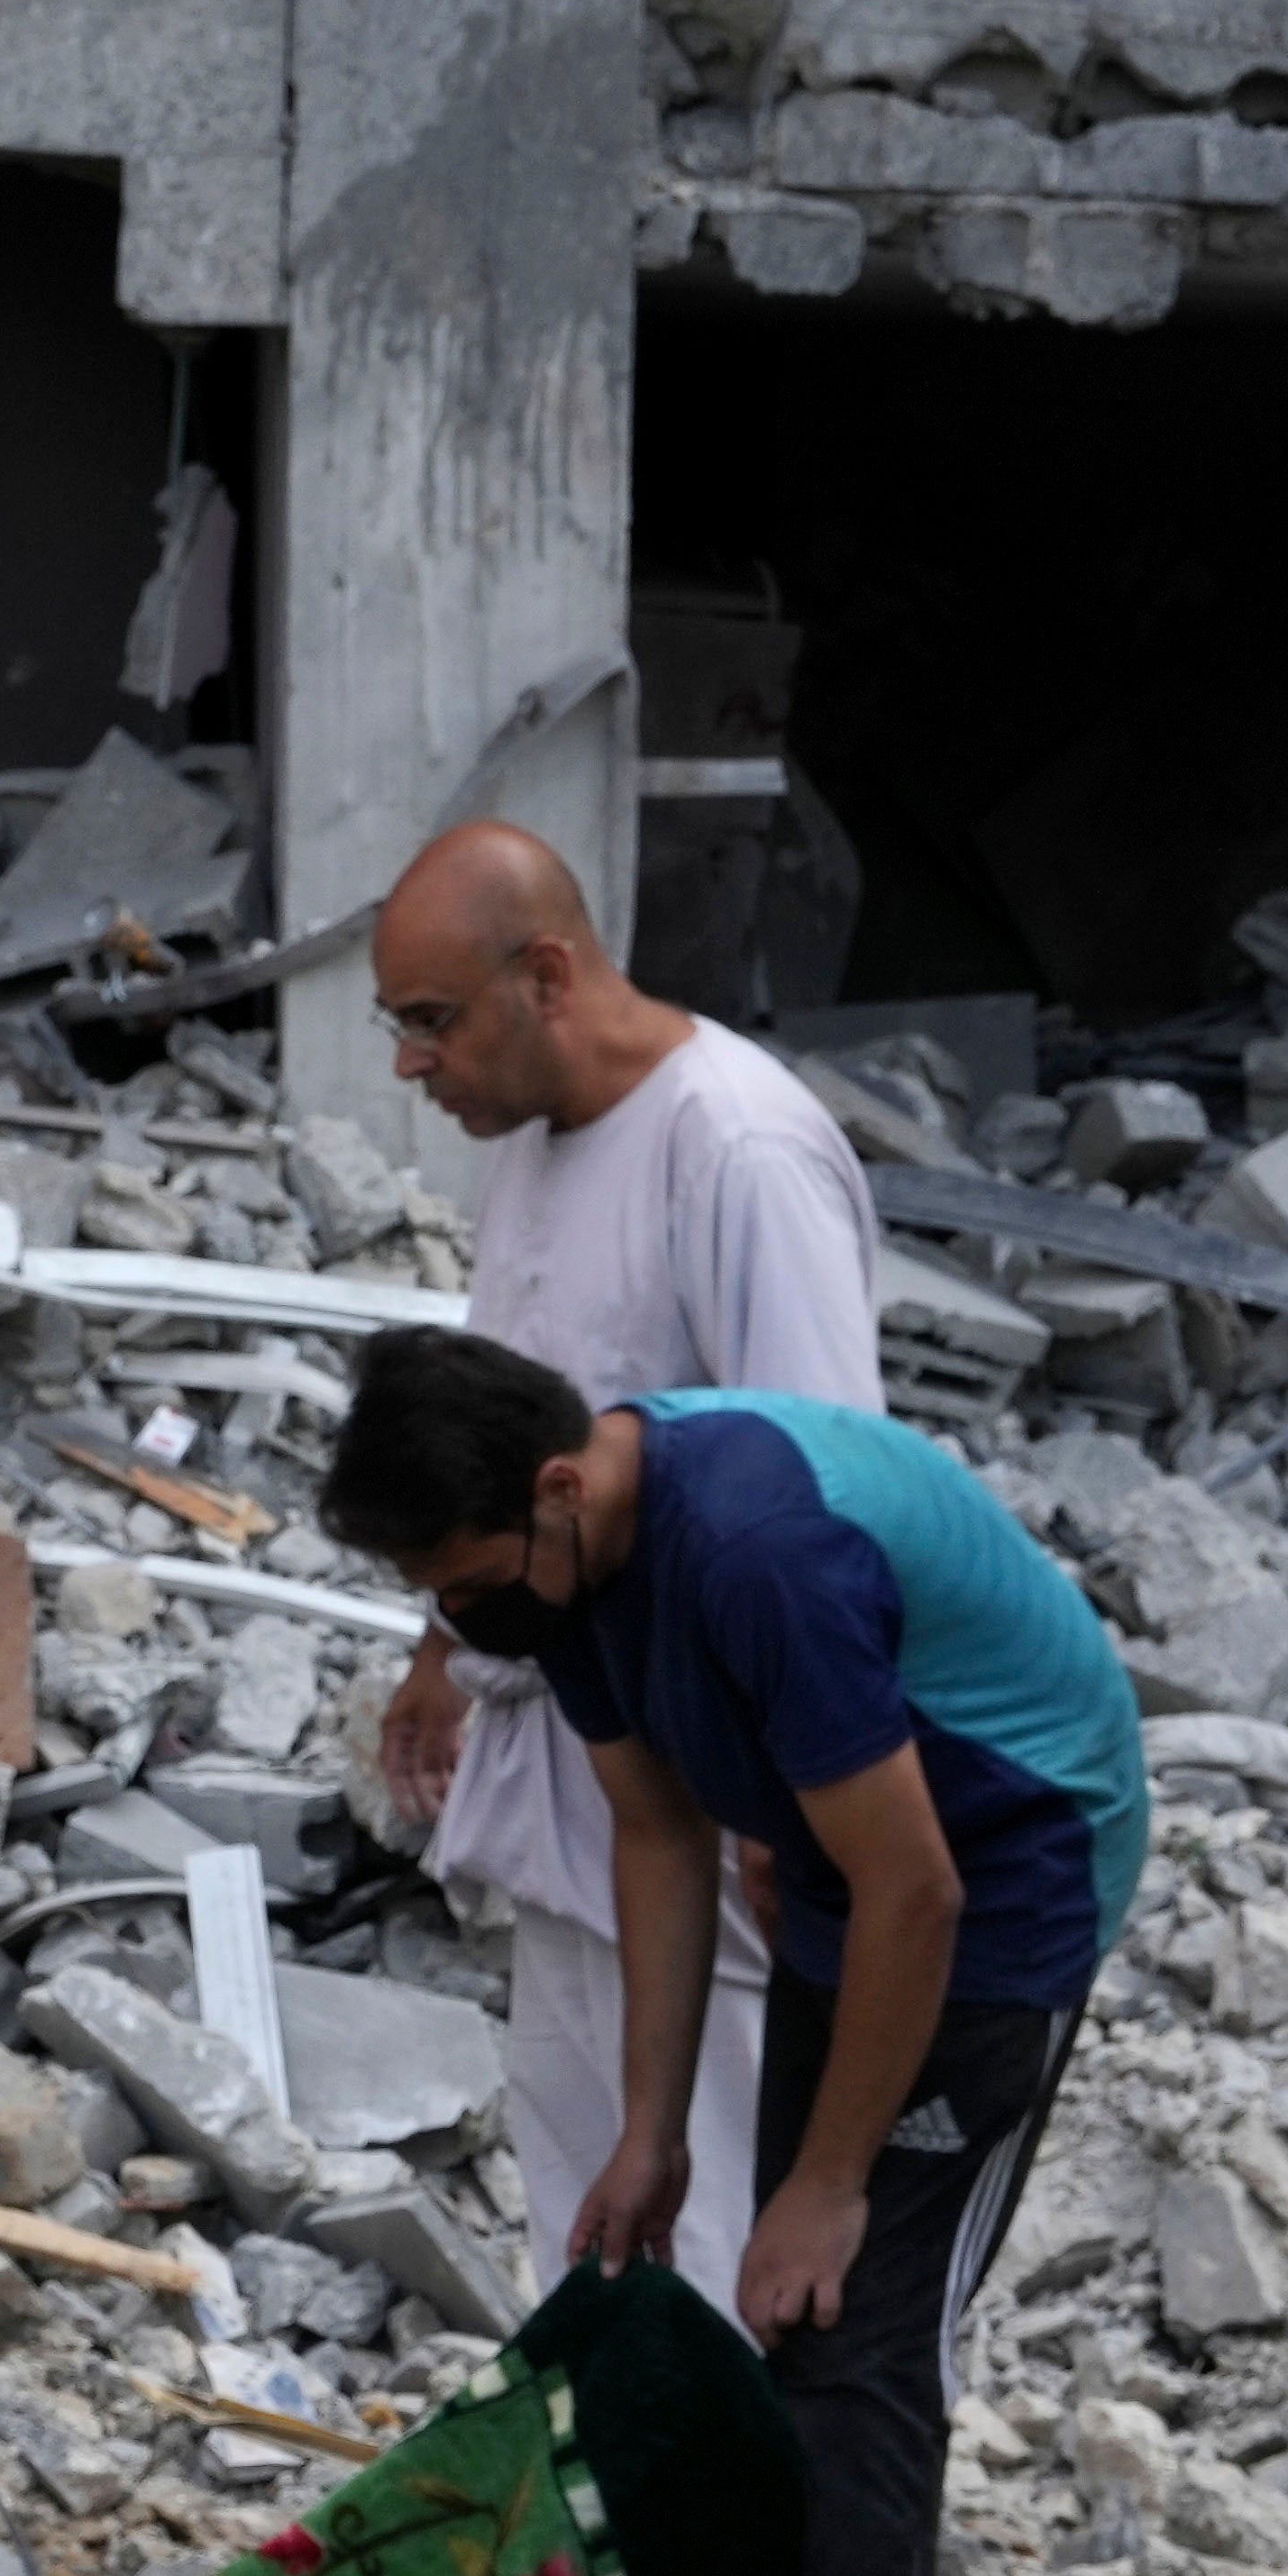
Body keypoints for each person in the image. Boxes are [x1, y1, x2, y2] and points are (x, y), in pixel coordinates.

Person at [315, 1328, 1144, 2576]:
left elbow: (922, 1890)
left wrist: (829, 2185)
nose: (465, 1625)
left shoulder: (758, 1554)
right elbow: (658, 1830)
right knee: (782, 2318)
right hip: (852, 1871)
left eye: (468, 1584)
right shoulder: (578, 1569)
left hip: (1004, 1875)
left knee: (859, 2340)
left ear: (559, 1488)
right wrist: (650, 2133)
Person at [358, 818, 888, 2311]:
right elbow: (502, 1436)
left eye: (432, 1019)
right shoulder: (534, 1142)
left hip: (711, 1791)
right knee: (588, 2210)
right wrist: (449, 1647)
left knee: (718, 2220)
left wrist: (790, 1809)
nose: (409, 1063)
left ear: (546, 975)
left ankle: (732, 2461)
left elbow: (828, 1498)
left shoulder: (737, 1150)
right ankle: (611, 2453)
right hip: (582, 1765)